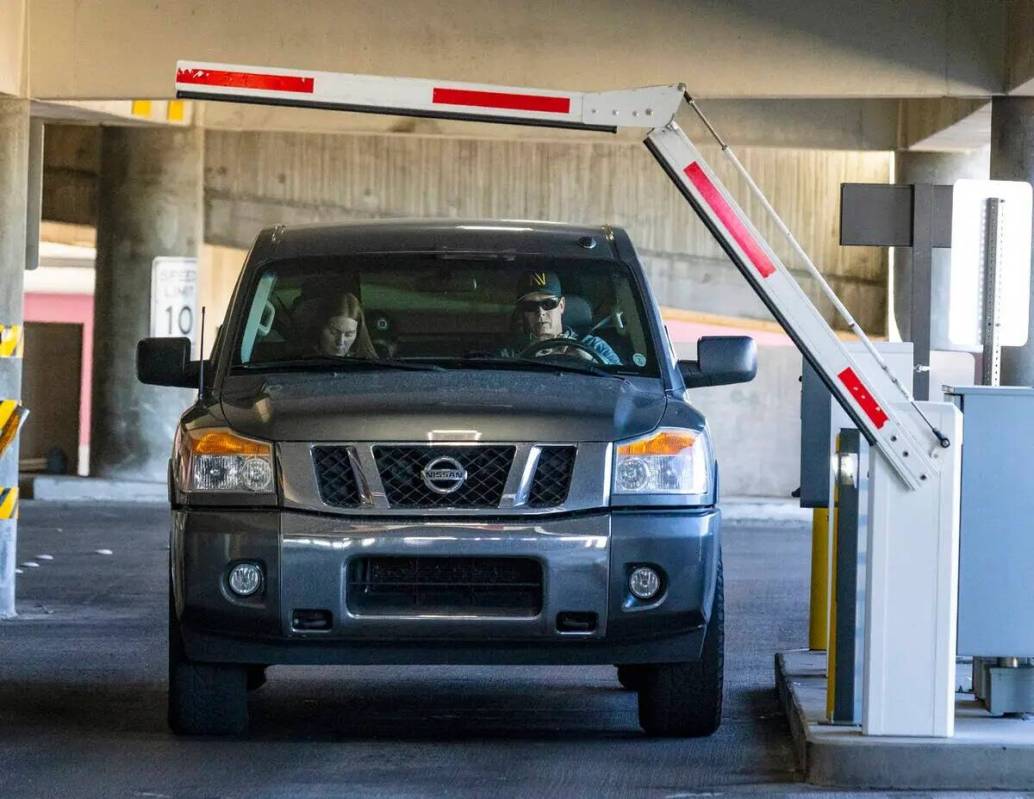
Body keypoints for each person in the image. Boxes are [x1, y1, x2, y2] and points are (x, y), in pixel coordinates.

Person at [500, 270, 620, 364]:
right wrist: (524, 358)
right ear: (523, 312)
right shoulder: (511, 352)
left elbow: (622, 382)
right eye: (530, 306)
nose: (540, 312)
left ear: (561, 305)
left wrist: (588, 358)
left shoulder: (594, 345)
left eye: (548, 304)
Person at [313, 292, 377, 358]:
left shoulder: (368, 365)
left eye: (349, 334)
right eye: (334, 333)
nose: (340, 342)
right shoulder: (303, 361)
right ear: (320, 327)